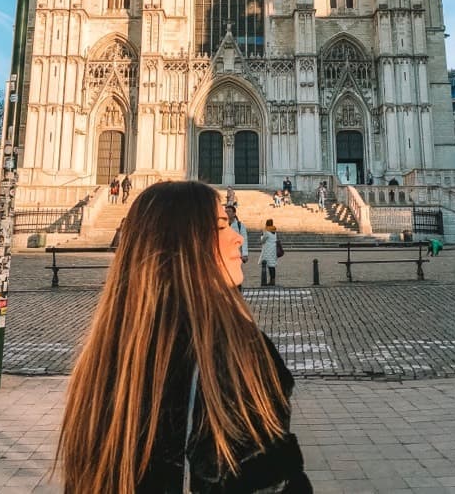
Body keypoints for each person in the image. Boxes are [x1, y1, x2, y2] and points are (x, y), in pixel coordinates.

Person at [57, 182, 311, 493]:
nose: (238, 239)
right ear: (182, 244)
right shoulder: (234, 356)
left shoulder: (108, 360)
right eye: (221, 227)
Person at [259, 218, 279, 287]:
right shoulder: (274, 232)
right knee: (272, 266)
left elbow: (262, 241)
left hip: (267, 250)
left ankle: (271, 281)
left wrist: (261, 235)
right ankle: (273, 280)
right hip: (273, 250)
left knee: (269, 266)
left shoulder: (266, 232)